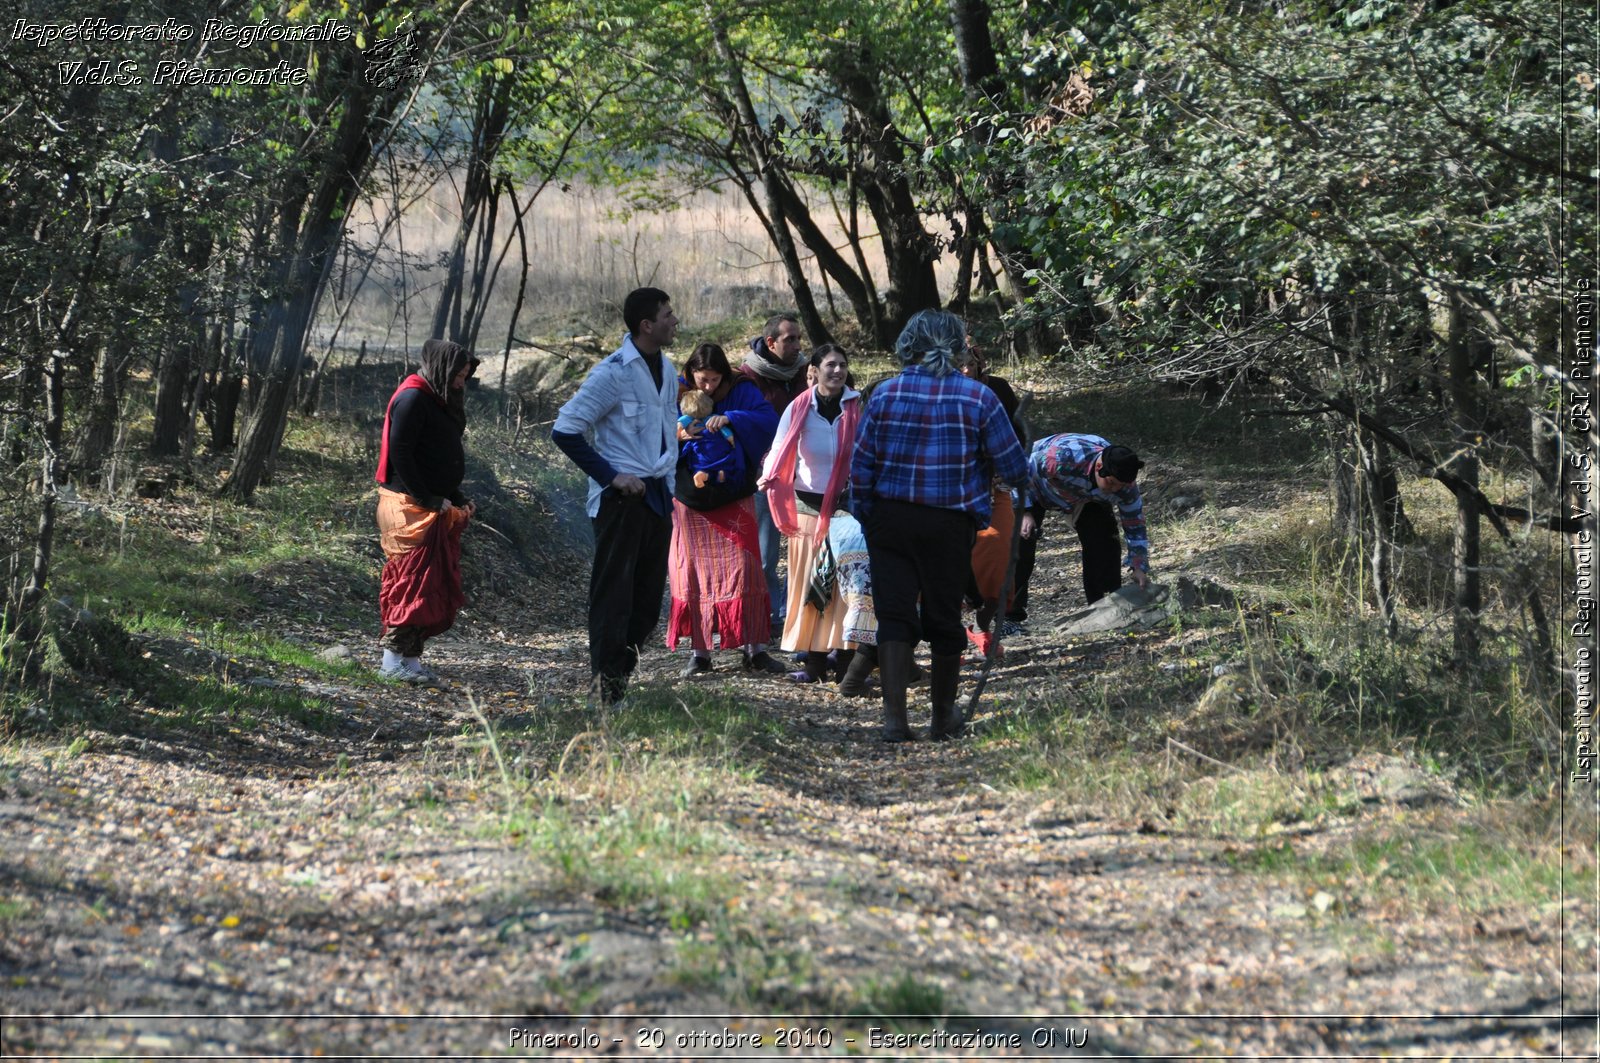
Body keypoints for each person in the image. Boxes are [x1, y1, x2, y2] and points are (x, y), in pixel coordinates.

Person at [851, 310, 1029, 742]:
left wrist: (867, 517)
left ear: (909, 343)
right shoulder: (979, 398)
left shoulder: (885, 394)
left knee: (893, 615)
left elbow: (861, 466)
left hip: (889, 521)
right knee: (944, 616)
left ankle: (896, 722)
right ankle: (941, 719)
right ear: (955, 347)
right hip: (948, 523)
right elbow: (1014, 467)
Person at [551, 288, 681, 704]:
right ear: (647, 325)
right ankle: (604, 693)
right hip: (622, 502)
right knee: (614, 599)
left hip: (659, 495)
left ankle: (617, 682)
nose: (674, 321)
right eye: (667, 315)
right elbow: (565, 429)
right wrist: (611, 476)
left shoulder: (669, 367)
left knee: (646, 605)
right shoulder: (613, 373)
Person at [668, 342, 786, 676]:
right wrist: (679, 434)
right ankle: (700, 653)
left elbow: (768, 420)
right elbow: (655, 430)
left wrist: (730, 416)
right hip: (691, 498)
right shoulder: (676, 389)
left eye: (715, 380)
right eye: (702, 379)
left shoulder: (741, 387)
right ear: (690, 372)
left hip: (733, 494)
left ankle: (755, 650)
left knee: (747, 568)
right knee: (692, 572)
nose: (708, 387)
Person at [374, 338, 479, 683]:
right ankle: (391, 663)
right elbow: (401, 455)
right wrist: (428, 499)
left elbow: (435, 456)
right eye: (458, 375)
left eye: (464, 376)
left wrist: (456, 496)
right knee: (411, 585)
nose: (460, 383)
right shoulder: (412, 398)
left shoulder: (435, 397)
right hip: (407, 508)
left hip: (428, 504)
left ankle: (411, 662)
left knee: (429, 586)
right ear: (441, 370)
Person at [759, 344, 865, 684]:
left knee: (848, 590)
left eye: (842, 365)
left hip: (847, 511)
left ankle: (848, 662)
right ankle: (815, 664)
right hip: (807, 509)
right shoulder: (800, 408)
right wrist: (769, 474)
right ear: (815, 370)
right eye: (830, 365)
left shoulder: (856, 407)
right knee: (811, 589)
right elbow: (779, 446)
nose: (837, 371)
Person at [1021, 434, 1150, 605]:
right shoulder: (1063, 457)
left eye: (1121, 485)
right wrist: (1024, 510)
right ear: (1099, 467)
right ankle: (1011, 617)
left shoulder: (1125, 488)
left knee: (1103, 540)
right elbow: (1017, 470)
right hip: (1034, 488)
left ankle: (1104, 604)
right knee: (1021, 544)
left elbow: (1135, 524)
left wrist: (1138, 566)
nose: (1115, 489)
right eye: (1111, 483)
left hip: (1081, 497)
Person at [739, 312, 807, 627]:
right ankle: (769, 616)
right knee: (765, 555)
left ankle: (801, 614)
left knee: (805, 549)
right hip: (763, 474)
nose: (796, 345)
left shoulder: (807, 371)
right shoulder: (748, 376)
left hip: (806, 471)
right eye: (788, 339)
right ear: (771, 342)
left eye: (798, 338)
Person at [959, 342, 1027, 656]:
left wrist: (1005, 465)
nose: (963, 371)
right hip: (950, 493)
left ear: (979, 364)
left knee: (999, 559)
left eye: (968, 364)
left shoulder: (996, 389)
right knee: (950, 566)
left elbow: (1017, 437)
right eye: (955, 365)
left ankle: (982, 628)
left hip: (992, 488)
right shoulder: (938, 396)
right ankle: (952, 638)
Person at [677, 388, 743, 488]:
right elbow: (725, 431)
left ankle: (702, 474)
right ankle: (722, 473)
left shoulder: (688, 419)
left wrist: (679, 434)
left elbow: (678, 426)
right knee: (727, 461)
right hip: (719, 446)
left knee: (698, 462)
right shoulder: (714, 418)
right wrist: (731, 440)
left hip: (700, 447)